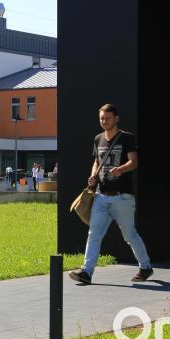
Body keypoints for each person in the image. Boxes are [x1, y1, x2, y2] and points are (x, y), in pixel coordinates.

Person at [69, 103, 153, 285]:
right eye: (101, 118)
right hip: (100, 196)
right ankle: (87, 272)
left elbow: (134, 162)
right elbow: (96, 161)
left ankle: (145, 267)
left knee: (130, 235)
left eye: (107, 118)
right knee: (94, 233)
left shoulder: (126, 138)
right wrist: (92, 175)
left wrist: (121, 169)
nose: (104, 121)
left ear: (116, 118)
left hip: (122, 197)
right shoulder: (98, 138)